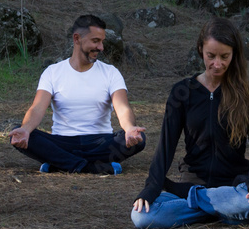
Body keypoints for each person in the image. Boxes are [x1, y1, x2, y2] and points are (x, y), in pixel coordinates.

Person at [131, 18, 249, 229]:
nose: (217, 64)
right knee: (141, 217)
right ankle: (221, 212)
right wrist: (152, 187)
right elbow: (165, 147)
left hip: (233, 188)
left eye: (225, 57)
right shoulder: (182, 92)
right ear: (200, 50)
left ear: (235, 54)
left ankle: (198, 206)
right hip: (191, 183)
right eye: (210, 56)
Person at [8, 14, 146, 174]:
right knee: (19, 134)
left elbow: (123, 108)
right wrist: (25, 129)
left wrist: (129, 128)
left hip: (100, 142)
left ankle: (60, 163)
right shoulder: (53, 72)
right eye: (95, 41)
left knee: (139, 140)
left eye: (102, 42)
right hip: (62, 141)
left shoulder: (111, 72)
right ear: (77, 39)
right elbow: (37, 108)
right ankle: (90, 167)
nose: (101, 47)